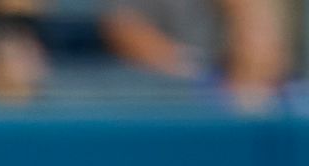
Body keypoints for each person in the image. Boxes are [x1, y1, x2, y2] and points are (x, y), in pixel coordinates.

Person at [97, 0, 289, 105]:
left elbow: (263, 54)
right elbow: (122, 29)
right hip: (150, 100)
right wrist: (198, 80)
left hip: (219, 100)